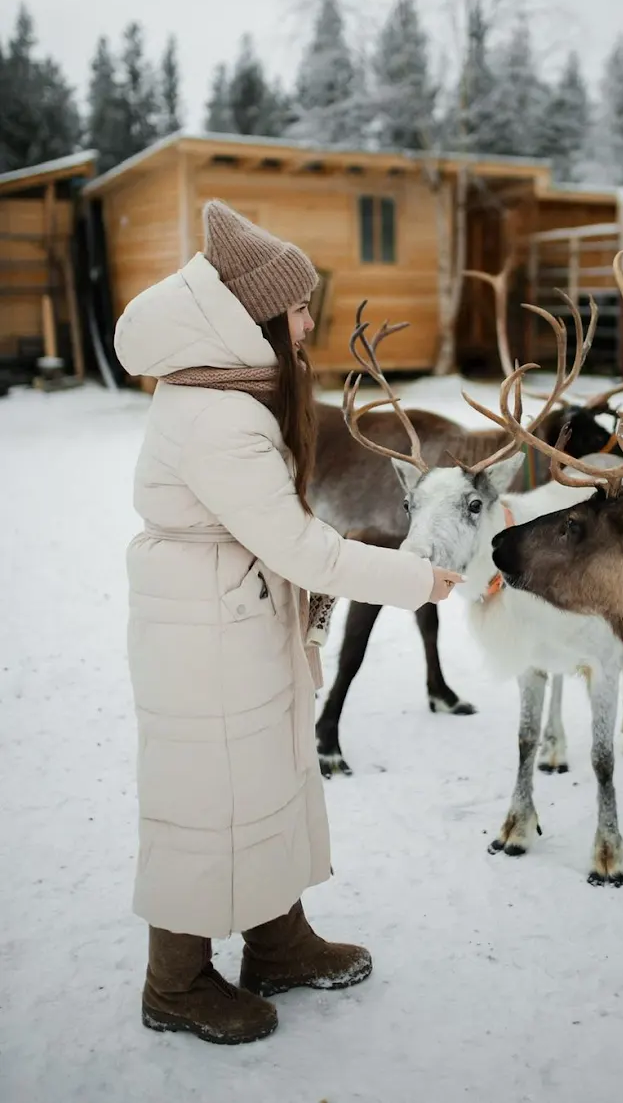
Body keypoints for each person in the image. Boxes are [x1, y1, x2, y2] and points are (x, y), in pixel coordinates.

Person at [114, 199, 461, 1045]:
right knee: (205, 798)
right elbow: (308, 550)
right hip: (206, 631)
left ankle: (277, 941)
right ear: (263, 313)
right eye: (300, 305)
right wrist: (420, 579)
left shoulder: (232, 389)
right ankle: (178, 982)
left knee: (263, 779)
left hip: (233, 617)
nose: (312, 319)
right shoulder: (218, 416)